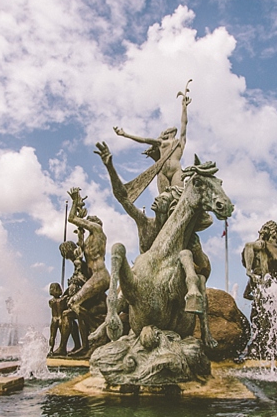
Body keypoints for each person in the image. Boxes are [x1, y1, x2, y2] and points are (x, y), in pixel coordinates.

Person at [113, 82, 191, 199]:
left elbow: (184, 123)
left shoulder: (180, 142)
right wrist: (125, 135)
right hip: (162, 172)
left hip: (176, 170)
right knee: (163, 200)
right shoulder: (161, 143)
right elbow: (144, 140)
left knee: (178, 198)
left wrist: (184, 107)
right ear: (166, 133)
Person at [66, 187, 109, 355]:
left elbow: (72, 218)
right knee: (77, 306)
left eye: (91, 220)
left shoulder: (98, 231)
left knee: (73, 303)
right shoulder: (90, 238)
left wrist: (76, 202)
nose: (89, 221)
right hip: (94, 277)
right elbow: (81, 250)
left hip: (100, 276)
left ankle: (93, 337)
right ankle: (87, 341)